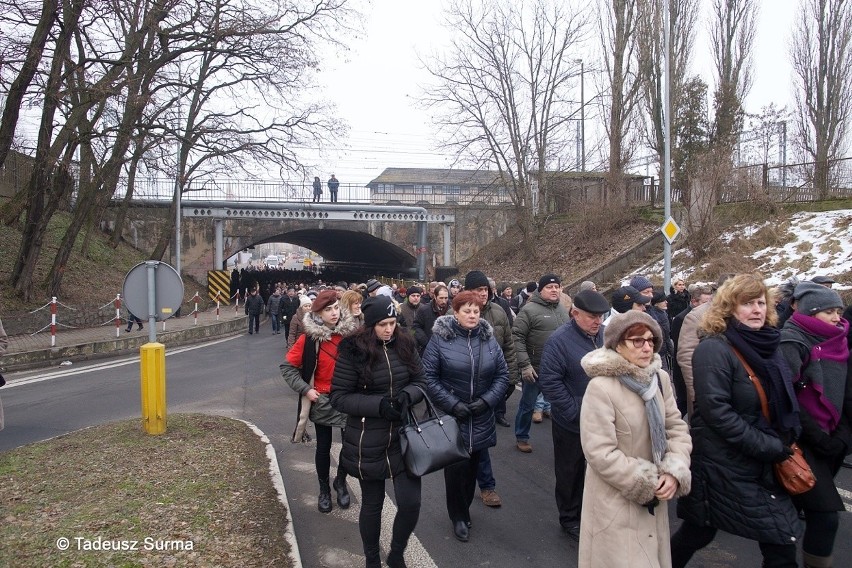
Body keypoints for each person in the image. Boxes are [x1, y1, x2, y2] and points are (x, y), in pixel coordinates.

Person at [670, 273, 803, 568]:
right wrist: (769, 445)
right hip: (724, 462)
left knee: (704, 532)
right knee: (776, 538)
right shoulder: (714, 348)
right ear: (729, 309)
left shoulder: (769, 344)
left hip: (760, 459)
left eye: (760, 303)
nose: (757, 309)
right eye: (747, 303)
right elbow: (717, 411)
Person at [578, 310, 692, 566]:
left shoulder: (660, 380)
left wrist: (674, 470)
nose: (646, 347)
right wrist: (646, 481)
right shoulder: (601, 387)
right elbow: (599, 451)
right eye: (637, 341)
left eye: (651, 341)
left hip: (655, 502)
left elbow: (676, 428)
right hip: (615, 502)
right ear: (618, 344)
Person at [330, 295, 427, 568]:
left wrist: (408, 396)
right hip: (367, 438)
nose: (388, 329)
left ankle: (396, 553)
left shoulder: (406, 343)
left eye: (393, 323)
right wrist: (379, 405)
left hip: (404, 437)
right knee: (372, 506)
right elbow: (339, 397)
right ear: (370, 324)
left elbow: (421, 380)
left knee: (410, 504)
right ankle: (372, 559)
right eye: (382, 324)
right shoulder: (353, 350)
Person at [422, 290, 509, 543]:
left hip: (480, 415)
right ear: (455, 313)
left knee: (472, 469)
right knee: (456, 470)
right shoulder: (440, 340)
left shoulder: (488, 340)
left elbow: (502, 375)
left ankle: (465, 507)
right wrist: (452, 404)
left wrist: (487, 401)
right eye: (466, 311)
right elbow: (429, 377)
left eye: (476, 311)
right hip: (453, 418)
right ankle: (457, 516)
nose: (472, 315)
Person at [780, 281, 852, 568]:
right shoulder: (791, 342)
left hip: (832, 438)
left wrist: (843, 436)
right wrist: (819, 439)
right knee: (826, 517)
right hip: (802, 441)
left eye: (839, 310)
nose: (837, 318)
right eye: (829, 312)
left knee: (792, 513)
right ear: (810, 312)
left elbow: (847, 393)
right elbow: (787, 400)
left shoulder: (840, 341)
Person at [537, 289, 610, 540]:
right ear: (575, 313)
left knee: (600, 471)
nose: (597, 321)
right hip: (572, 422)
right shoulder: (559, 341)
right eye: (592, 316)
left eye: (601, 316)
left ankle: (593, 514)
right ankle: (569, 517)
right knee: (571, 471)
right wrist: (574, 411)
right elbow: (550, 382)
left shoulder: (605, 336)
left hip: (604, 421)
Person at [279, 290, 359, 513]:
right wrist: (306, 390)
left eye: (336, 308)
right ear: (318, 314)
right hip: (322, 398)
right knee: (323, 447)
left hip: (348, 398)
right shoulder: (308, 339)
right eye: (328, 310)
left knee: (349, 446)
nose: (333, 313)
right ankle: (324, 489)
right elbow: (287, 368)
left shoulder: (352, 335)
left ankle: (340, 482)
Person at [462, 270, 518, 508]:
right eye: (477, 290)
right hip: (462, 388)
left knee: (481, 442)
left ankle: (487, 487)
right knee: (461, 445)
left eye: (484, 290)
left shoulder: (498, 311)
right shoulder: (455, 315)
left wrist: (510, 379)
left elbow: (508, 345)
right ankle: (461, 494)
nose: (482, 294)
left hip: (489, 387)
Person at [512, 274, 570, 453]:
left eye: (557, 287)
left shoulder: (561, 309)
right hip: (535, 369)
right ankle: (522, 436)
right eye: (550, 287)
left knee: (562, 406)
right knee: (528, 405)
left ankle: (565, 441)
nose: (554, 290)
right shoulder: (529, 310)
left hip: (558, 369)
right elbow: (517, 337)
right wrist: (525, 365)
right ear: (541, 290)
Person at [412, 284, 449, 354]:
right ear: (435, 296)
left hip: (447, 349)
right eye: (441, 298)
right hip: (429, 349)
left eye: (446, 298)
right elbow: (416, 327)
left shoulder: (452, 310)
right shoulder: (424, 310)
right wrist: (425, 341)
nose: (444, 301)